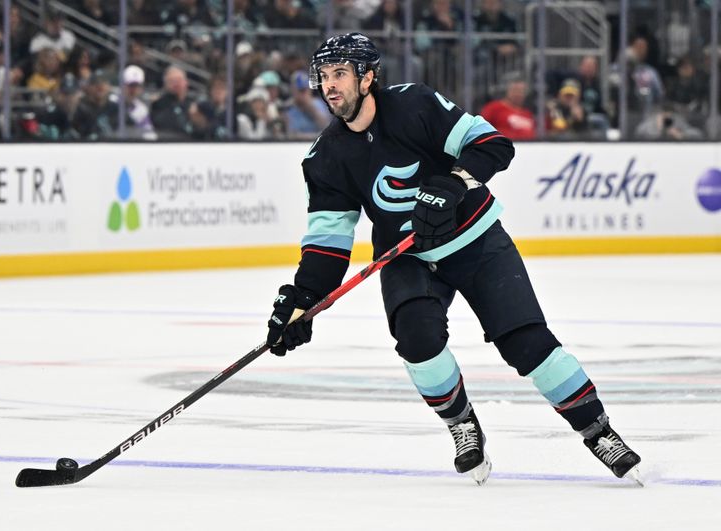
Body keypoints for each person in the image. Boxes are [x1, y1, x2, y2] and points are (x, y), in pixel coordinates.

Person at [263, 32, 642, 485]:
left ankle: (597, 429)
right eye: (323, 76)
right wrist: (304, 299)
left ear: (368, 77)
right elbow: (328, 244)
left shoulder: (415, 105)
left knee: (527, 344)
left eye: (340, 74)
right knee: (417, 342)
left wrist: (453, 184)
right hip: (407, 257)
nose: (329, 86)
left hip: (476, 241)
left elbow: (494, 145)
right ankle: (462, 424)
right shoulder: (326, 157)